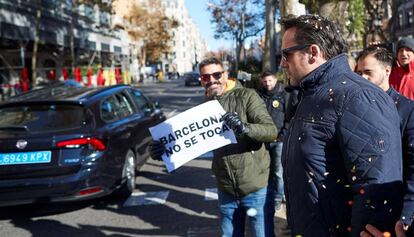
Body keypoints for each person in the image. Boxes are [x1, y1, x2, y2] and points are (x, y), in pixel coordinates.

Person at [280, 14, 403, 236]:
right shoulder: (309, 96)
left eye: (286, 55)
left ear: (313, 52)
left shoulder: (357, 97)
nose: (282, 63)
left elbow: (377, 189)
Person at [150, 57, 278, 237]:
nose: (211, 80)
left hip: (256, 187)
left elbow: (270, 131)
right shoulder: (204, 107)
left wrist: (245, 128)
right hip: (226, 189)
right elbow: (190, 140)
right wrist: (163, 149)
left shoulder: (247, 95)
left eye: (216, 74)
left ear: (225, 74)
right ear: (201, 80)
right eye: (205, 77)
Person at [356, 46, 414, 236]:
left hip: (393, 213)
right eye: (358, 73)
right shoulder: (353, 110)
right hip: (360, 211)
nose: (362, 78)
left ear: (387, 71)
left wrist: (406, 216)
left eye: (368, 72)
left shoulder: (407, 110)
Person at [256, 71, 288, 214]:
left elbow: (289, 117)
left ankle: (277, 200)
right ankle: (268, 199)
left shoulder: (283, 94)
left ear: (275, 80)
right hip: (264, 141)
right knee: (264, 172)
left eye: (270, 81)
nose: (267, 84)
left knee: (278, 173)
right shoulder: (259, 95)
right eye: (265, 81)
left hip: (279, 140)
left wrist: (282, 136)